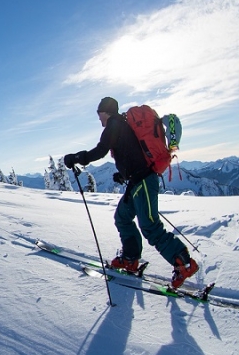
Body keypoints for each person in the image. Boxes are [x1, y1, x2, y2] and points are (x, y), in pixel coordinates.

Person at [63, 97, 199, 289]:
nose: (99, 119)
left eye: (99, 114)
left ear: (106, 112)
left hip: (144, 181)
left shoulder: (114, 124)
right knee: (122, 217)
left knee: (150, 227)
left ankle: (184, 264)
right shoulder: (121, 125)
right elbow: (131, 153)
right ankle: (130, 258)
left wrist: (76, 158)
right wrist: (123, 174)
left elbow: (100, 151)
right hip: (136, 181)